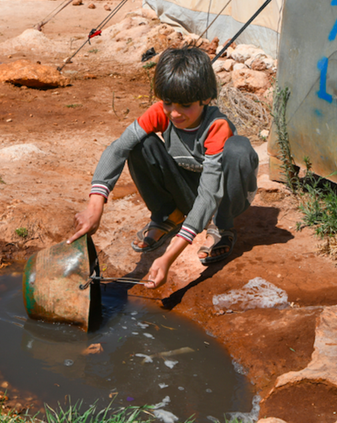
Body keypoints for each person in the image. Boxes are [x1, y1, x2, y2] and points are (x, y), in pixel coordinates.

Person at [66, 46, 259, 288]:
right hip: (189, 190)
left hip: (221, 193)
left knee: (238, 150)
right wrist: (95, 207)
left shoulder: (216, 126)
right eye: (168, 103)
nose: (175, 113)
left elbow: (209, 192)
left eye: (186, 105)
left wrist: (168, 257)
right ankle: (169, 215)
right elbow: (118, 149)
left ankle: (221, 225)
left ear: (206, 99)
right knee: (140, 144)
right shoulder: (161, 112)